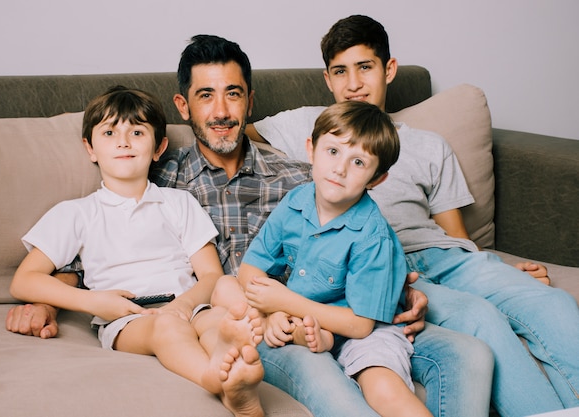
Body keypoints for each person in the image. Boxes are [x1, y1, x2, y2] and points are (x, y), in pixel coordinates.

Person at [6, 34, 494, 417]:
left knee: (471, 352)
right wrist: (46, 298)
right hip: (266, 322)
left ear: (249, 100)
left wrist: (399, 285)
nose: (220, 112)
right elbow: (99, 246)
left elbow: (357, 230)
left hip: (331, 304)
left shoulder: (301, 174)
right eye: (206, 97)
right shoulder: (164, 177)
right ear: (183, 108)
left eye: (233, 94)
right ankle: (230, 383)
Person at [247, 14, 579, 416]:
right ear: (327, 79)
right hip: (384, 266)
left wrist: (500, 270)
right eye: (340, 72)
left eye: (365, 67)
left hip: (442, 256)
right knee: (480, 318)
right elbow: (225, 127)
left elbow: (457, 236)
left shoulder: (429, 144)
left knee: (553, 303)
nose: (353, 83)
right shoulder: (316, 125)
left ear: (389, 70)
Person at [8, 85, 265, 417]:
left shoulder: (179, 203)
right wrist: (94, 302)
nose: (124, 141)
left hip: (189, 305)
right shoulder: (76, 213)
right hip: (128, 318)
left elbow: (212, 275)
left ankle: (235, 384)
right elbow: (24, 281)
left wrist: (184, 306)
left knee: (219, 321)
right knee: (167, 330)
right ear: (90, 148)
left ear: (158, 147)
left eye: (137, 132)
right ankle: (211, 377)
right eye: (110, 132)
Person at [238, 100, 432, 417]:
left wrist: (284, 303)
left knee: (384, 388)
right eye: (332, 152)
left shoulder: (372, 234)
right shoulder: (295, 203)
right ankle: (308, 336)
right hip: (306, 317)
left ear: (376, 179)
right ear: (311, 150)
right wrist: (272, 309)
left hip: (364, 327)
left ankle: (316, 336)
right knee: (225, 288)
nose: (340, 168)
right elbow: (250, 269)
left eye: (358, 162)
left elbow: (360, 325)